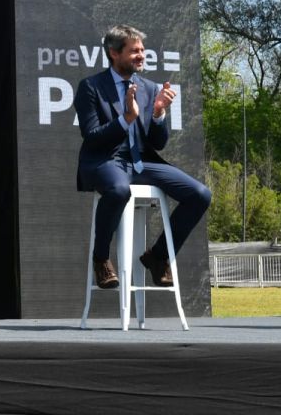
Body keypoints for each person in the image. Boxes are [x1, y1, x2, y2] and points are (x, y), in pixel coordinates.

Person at [74, 24, 210, 290]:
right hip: (106, 160)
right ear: (114, 53)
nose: (141, 55)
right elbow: (91, 137)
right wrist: (125, 119)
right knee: (118, 190)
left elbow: (158, 143)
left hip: (142, 162)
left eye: (142, 50)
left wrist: (158, 113)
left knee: (200, 194)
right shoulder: (91, 87)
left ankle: (158, 256)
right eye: (134, 51)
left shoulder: (148, 87)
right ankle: (101, 259)